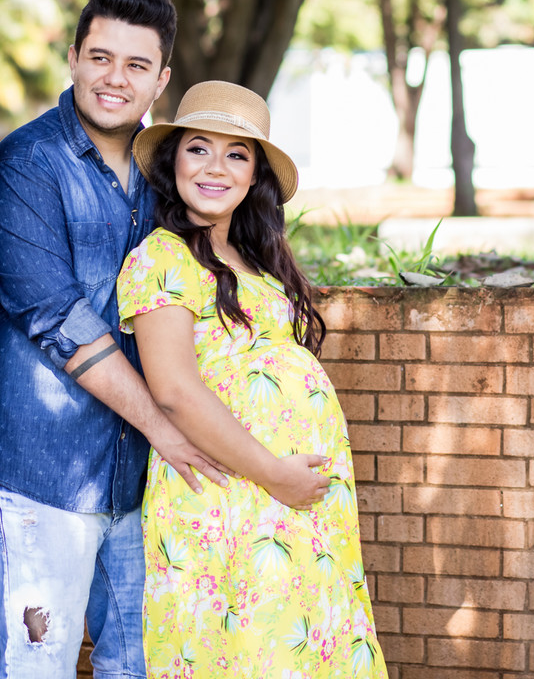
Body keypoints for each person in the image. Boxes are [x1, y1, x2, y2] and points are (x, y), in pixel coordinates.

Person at [0, 0, 329, 678]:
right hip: (46, 474)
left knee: (138, 666)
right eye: (101, 58)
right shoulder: (29, 165)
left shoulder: (164, 177)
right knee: (36, 666)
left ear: (161, 79)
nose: (115, 79)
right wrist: (169, 427)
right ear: (73, 57)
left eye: (136, 66)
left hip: (146, 485)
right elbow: (57, 318)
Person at [117, 81, 387, 678]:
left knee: (305, 645)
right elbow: (175, 391)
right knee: (248, 651)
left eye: (236, 154)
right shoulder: (161, 258)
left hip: (292, 500)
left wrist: (292, 482)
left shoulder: (256, 258)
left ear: (254, 175)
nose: (216, 167)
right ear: (172, 161)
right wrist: (275, 475)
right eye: (199, 149)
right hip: (232, 495)